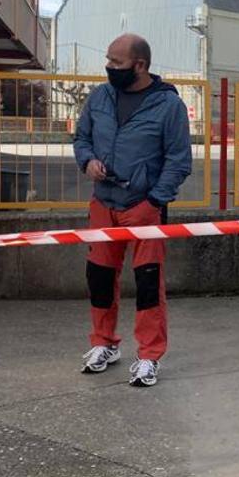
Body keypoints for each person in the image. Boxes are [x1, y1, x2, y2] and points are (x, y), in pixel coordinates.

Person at [73, 34, 192, 387]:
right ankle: (104, 344)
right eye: (108, 60)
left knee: (147, 284)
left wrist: (153, 201)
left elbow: (179, 160)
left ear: (140, 66)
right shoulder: (100, 97)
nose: (109, 68)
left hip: (143, 209)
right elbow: (81, 139)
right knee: (99, 279)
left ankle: (149, 355)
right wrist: (88, 162)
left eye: (116, 63)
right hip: (102, 205)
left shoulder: (168, 106)